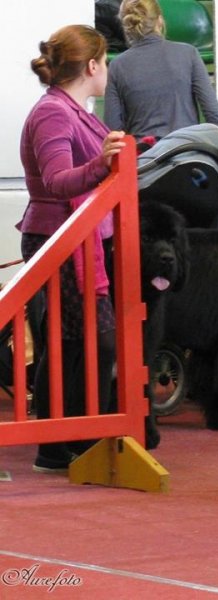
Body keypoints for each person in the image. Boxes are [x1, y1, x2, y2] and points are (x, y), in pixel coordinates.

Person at [19, 24, 126, 473]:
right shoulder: (54, 113)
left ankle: (68, 440)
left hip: (76, 238)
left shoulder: (68, 109)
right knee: (76, 344)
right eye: (107, 61)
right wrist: (103, 162)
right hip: (59, 238)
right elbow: (60, 180)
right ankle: (62, 442)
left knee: (77, 344)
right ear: (93, 65)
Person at [103, 0, 218, 139]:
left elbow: (113, 130)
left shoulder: (117, 66)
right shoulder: (188, 53)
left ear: (126, 26)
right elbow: (213, 113)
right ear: (160, 21)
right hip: (188, 153)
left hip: (143, 157)